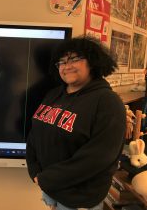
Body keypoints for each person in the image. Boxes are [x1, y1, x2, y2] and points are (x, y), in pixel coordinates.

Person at [26, 36, 126, 210]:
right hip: (51, 188)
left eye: (74, 59)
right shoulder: (54, 94)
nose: (67, 66)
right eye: (62, 62)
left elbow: (98, 157)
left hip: (79, 198)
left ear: (93, 62)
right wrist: (34, 171)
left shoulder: (108, 102)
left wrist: (45, 178)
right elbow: (35, 132)